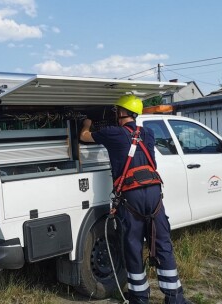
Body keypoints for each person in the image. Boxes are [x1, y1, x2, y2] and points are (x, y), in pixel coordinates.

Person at [80, 95, 188, 304]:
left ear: (122, 113)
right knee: (162, 242)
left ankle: (139, 297)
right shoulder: (147, 133)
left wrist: (86, 123)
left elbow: (85, 136)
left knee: (133, 245)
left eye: (117, 110)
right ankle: (175, 297)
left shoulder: (112, 133)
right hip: (154, 192)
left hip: (132, 196)